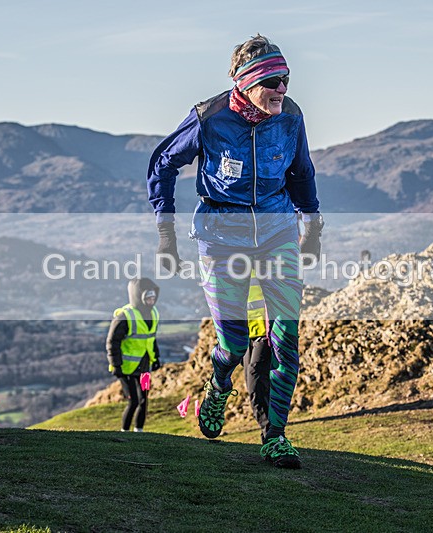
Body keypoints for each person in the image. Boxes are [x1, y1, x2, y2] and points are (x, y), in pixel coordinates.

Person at [147, 34, 322, 469]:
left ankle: (275, 436)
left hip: (278, 232)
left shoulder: (291, 116)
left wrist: (312, 226)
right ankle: (219, 383)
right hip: (221, 237)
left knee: (286, 338)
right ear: (245, 83)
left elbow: (301, 172)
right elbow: (163, 163)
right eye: (272, 82)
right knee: (234, 340)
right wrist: (166, 232)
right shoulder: (209, 117)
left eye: (286, 79)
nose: (282, 89)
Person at [106, 278, 162, 432]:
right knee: (134, 401)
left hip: (145, 366)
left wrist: (156, 358)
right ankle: (125, 432)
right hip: (126, 369)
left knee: (144, 400)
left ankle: (139, 433)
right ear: (139, 297)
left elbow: (151, 338)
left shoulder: (154, 313)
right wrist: (116, 365)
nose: (151, 301)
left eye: (153, 298)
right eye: (148, 298)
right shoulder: (125, 316)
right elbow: (112, 342)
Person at [242, 273, 272, 445]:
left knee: (256, 377)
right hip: (246, 335)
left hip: (266, 333)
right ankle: (268, 433)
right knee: (253, 386)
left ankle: (270, 433)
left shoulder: (266, 263)